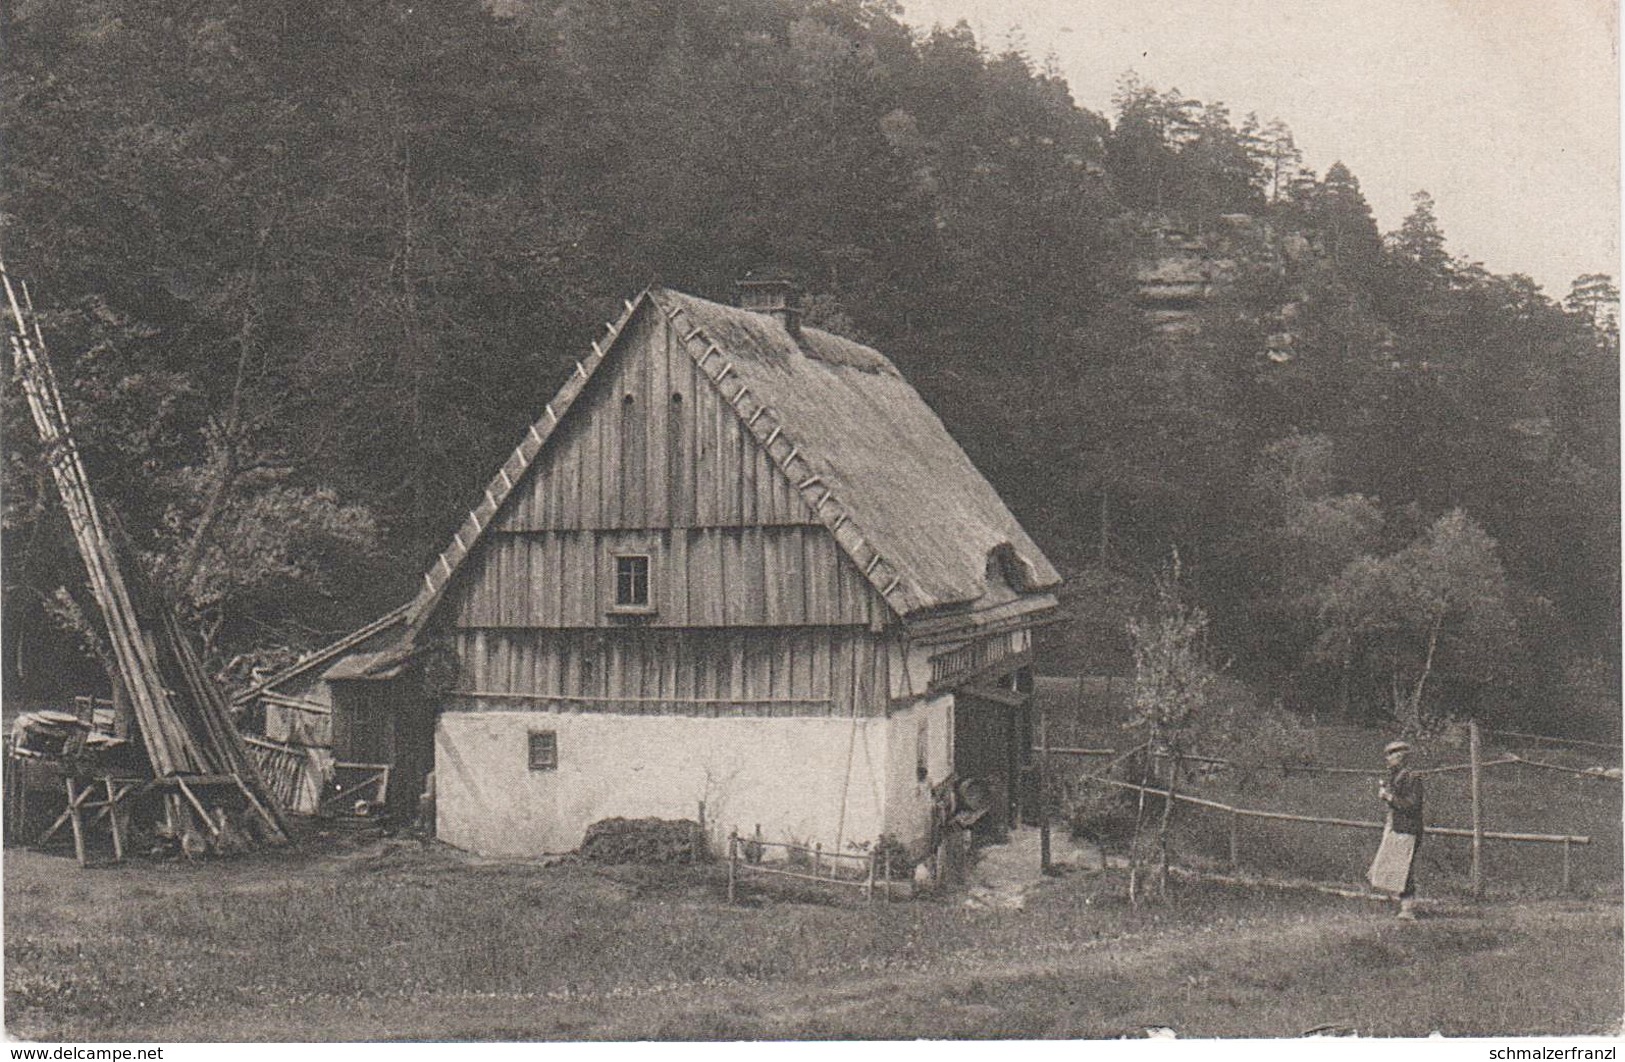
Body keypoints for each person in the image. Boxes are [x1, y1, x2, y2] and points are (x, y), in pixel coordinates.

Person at [1367, 739, 1424, 919]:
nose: (1388, 759)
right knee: (1394, 865)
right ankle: (1404, 905)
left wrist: (1389, 797)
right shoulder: (1396, 776)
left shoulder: (1413, 777)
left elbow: (1412, 805)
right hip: (1397, 826)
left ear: (1400, 757)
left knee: (1404, 867)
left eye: (1391, 755)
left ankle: (1408, 909)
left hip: (1408, 828)